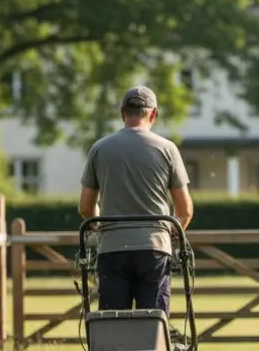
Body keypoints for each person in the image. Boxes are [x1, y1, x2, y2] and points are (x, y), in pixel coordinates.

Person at [78, 85, 193, 314]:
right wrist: (170, 234)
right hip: (154, 248)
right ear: (153, 114)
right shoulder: (168, 149)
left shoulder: (99, 149)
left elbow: (85, 207)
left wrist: (100, 225)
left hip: (112, 248)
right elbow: (185, 210)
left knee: (113, 320)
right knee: (153, 320)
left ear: (122, 113)